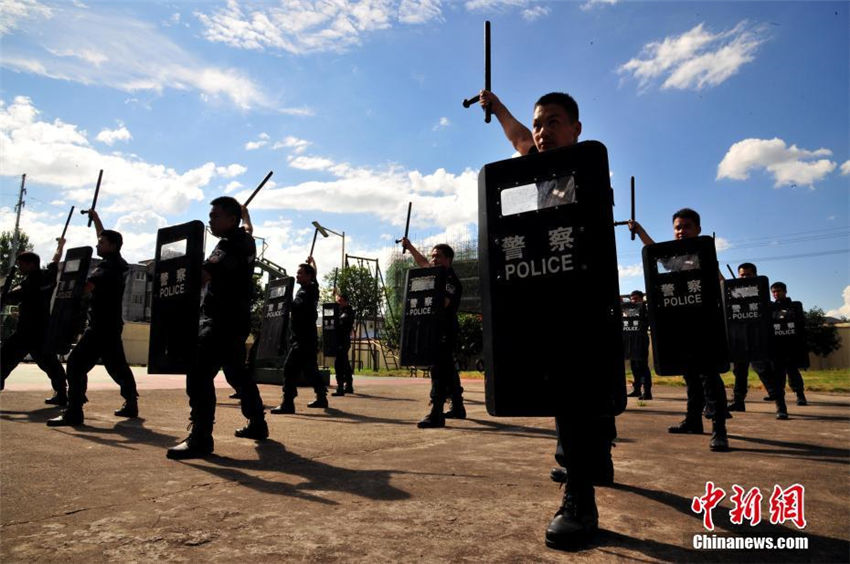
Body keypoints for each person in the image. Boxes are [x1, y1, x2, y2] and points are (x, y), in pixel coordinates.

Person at [481, 89, 621, 549]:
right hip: (546, 297)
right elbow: (520, 138)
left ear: (577, 129)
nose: (542, 131)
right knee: (567, 388)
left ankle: (581, 498)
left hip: (585, 297)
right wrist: (498, 108)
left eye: (553, 122)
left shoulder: (585, 169)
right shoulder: (533, 169)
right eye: (540, 123)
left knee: (583, 386)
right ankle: (589, 466)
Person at [166, 198, 268, 459]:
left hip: (220, 320)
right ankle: (257, 422)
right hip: (236, 320)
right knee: (237, 374)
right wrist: (246, 215)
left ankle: (200, 437)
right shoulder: (247, 240)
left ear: (230, 220)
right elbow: (249, 228)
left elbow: (203, 276)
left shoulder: (227, 245)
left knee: (198, 372)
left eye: (215, 216)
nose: (210, 220)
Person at [629, 209, 730, 452]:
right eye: (677, 227)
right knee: (690, 375)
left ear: (698, 229)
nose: (681, 231)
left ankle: (719, 429)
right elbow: (654, 252)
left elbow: (722, 284)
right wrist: (639, 230)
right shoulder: (674, 257)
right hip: (682, 327)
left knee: (709, 376)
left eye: (686, 226)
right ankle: (693, 420)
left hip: (705, 327)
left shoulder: (705, 255)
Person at [48, 210, 139, 426]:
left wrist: (68, 287)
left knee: (76, 364)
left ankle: (74, 411)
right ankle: (131, 403)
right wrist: (96, 218)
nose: (98, 245)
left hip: (100, 327)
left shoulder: (106, 268)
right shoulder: (119, 261)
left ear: (112, 246)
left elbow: (86, 288)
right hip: (112, 325)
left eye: (101, 243)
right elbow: (104, 236)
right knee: (117, 366)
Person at [399, 239, 465, 426]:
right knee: (448, 369)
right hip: (435, 330)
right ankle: (458, 407)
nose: (433, 260)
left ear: (448, 259)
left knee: (438, 371)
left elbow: (441, 303)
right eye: (433, 256)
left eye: (438, 257)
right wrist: (410, 247)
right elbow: (423, 263)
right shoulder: (437, 276)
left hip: (445, 331)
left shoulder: (451, 281)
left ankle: (436, 413)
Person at [1, 240, 68, 404]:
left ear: (31, 264)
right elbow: (55, 260)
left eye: (21, 264)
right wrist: (61, 244)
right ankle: (62, 394)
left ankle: (62, 394)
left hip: (26, 332)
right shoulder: (49, 276)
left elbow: (9, 297)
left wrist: (5, 293)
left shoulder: (29, 283)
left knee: (4, 358)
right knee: (50, 364)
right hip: (42, 330)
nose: (19, 267)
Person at [727, 263, 787, 418]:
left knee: (765, 371)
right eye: (742, 275)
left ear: (755, 275)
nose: (745, 277)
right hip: (740, 339)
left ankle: (781, 406)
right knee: (739, 372)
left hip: (758, 338)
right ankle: (738, 402)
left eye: (748, 275)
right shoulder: (732, 293)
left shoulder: (761, 293)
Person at [270, 257, 328, 414]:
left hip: (302, 339)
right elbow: (315, 276)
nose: (297, 276)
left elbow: (297, 306)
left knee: (289, 368)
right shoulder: (313, 287)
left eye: (300, 273)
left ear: (308, 276)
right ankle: (322, 397)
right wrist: (313, 262)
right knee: (310, 370)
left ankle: (288, 403)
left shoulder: (304, 292)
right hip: (308, 338)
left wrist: (284, 300)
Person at [770, 282, 808, 406]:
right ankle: (779, 398)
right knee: (778, 374)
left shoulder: (795, 305)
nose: (776, 294)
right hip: (776, 345)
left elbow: (798, 321)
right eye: (774, 292)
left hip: (791, 344)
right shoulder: (770, 307)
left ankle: (800, 395)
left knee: (792, 371)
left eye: (779, 291)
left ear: (785, 291)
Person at [624, 290, 652, 401]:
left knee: (643, 367)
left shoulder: (644, 309)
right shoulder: (631, 310)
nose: (633, 301)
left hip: (641, 341)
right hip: (631, 341)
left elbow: (645, 322)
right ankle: (637, 390)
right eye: (632, 299)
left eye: (636, 298)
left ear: (641, 299)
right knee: (634, 366)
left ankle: (647, 392)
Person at [331, 293, 355, 396]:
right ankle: (348, 385)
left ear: (345, 301)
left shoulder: (348, 312)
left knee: (339, 363)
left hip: (343, 340)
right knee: (345, 363)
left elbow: (341, 324)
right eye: (337, 301)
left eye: (340, 301)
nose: (338, 303)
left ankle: (340, 387)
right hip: (340, 340)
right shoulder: (340, 311)